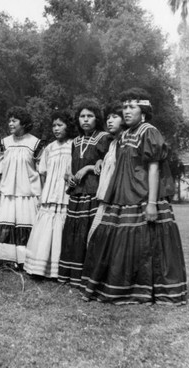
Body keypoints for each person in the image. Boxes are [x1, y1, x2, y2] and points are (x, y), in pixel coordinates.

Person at [81, 88, 187, 305]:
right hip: (122, 195)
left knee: (148, 243)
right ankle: (123, 288)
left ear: (144, 112)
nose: (126, 112)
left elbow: (154, 169)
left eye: (132, 107)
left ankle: (148, 290)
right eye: (125, 108)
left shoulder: (149, 131)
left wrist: (151, 204)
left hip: (143, 195)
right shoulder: (124, 136)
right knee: (121, 241)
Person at [58, 100, 112, 287]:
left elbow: (108, 162)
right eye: (82, 116)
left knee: (90, 230)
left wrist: (89, 167)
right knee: (74, 231)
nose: (86, 120)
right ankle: (73, 275)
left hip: (93, 190)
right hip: (77, 192)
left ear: (97, 118)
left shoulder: (105, 138)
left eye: (90, 116)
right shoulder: (75, 141)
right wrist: (69, 176)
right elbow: (73, 166)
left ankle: (90, 276)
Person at [0, 106, 44, 266]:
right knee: (6, 223)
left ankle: (27, 260)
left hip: (28, 193)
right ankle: (6, 259)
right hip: (8, 192)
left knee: (26, 223)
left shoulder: (35, 143)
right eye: (9, 120)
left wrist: (42, 193)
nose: (10, 123)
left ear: (23, 123)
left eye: (14, 120)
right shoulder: (4, 143)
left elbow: (41, 170)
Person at [24, 110, 75, 278]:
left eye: (60, 125)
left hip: (65, 193)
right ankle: (40, 268)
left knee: (61, 227)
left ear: (68, 126)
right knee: (45, 227)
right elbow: (43, 172)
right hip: (50, 192)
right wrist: (44, 193)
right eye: (54, 126)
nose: (56, 129)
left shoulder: (74, 145)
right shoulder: (49, 148)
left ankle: (59, 269)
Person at [86, 101, 126, 244]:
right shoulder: (113, 143)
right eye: (108, 117)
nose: (109, 121)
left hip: (117, 201)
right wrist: (100, 161)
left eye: (114, 117)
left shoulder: (125, 143)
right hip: (105, 199)